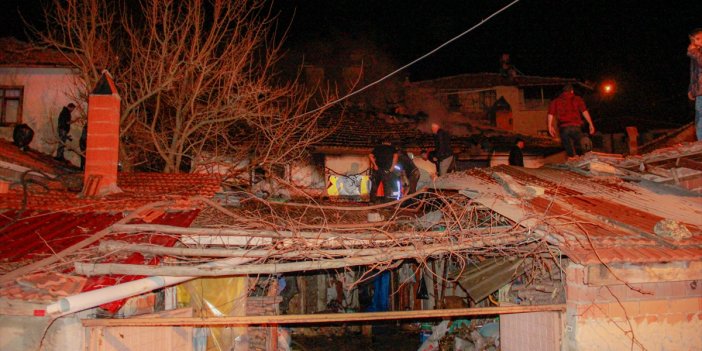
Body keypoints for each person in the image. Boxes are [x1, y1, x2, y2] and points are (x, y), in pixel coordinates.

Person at [547, 85, 596, 158]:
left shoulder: (556, 101)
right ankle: (582, 146)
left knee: (567, 144)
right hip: (575, 126)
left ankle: (572, 156)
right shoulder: (577, 99)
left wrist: (550, 126)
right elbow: (584, 111)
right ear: (572, 91)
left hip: (563, 127)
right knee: (578, 140)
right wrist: (591, 124)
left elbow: (550, 114)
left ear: (563, 92)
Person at [688, 28, 702, 141]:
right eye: (695, 39)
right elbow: (694, 73)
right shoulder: (696, 53)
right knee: (699, 119)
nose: (697, 42)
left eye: (699, 38)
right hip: (699, 91)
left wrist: (694, 52)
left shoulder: (696, 54)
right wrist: (691, 89)